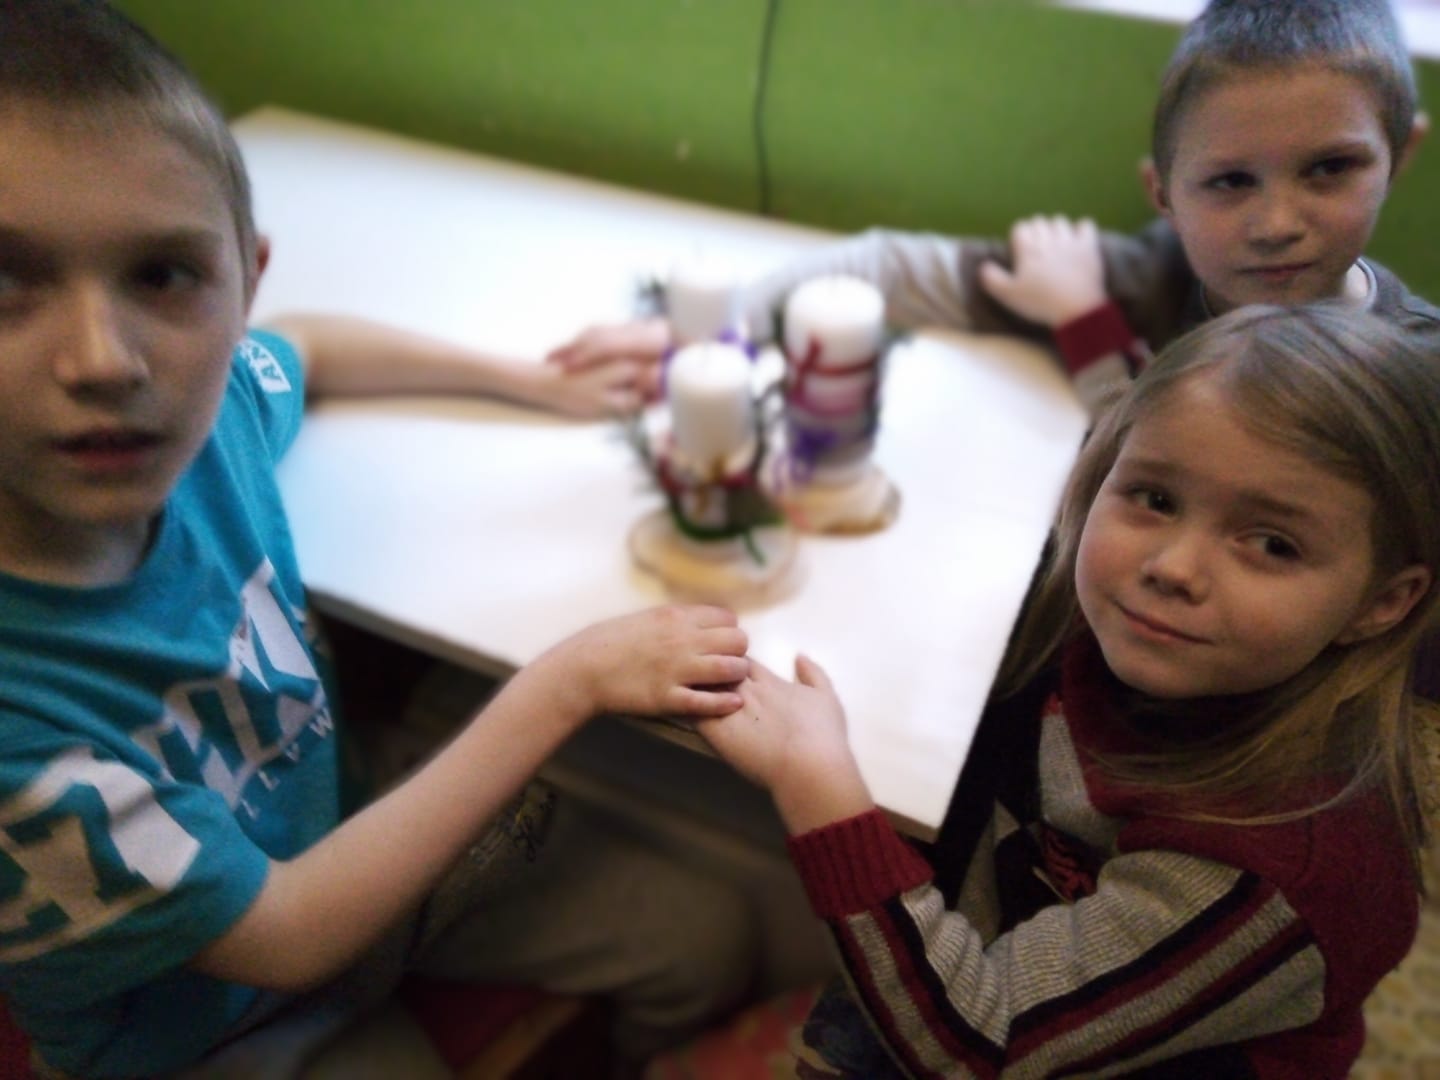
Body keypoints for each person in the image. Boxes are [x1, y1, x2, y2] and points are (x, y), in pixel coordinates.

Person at [0, 2, 756, 1076]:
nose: (104, 359)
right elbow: (290, 932)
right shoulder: (16, 720)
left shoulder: (205, 426)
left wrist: (530, 381)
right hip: (213, 1029)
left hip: (358, 841)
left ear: (243, 279)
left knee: (708, 939)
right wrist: (568, 682)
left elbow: (306, 347)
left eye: (162, 275)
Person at [694, 302, 1440, 1077]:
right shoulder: (1125, 612)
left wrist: (818, 785)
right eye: (1155, 498)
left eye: (1273, 545)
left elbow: (977, 1048)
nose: (1172, 568)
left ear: (1383, 602)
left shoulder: (1286, 871)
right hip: (976, 945)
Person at [547, 0, 1438, 414]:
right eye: (1231, 182)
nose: (1277, 223)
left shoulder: (1413, 373)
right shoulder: (1158, 273)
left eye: (1329, 169)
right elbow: (891, 269)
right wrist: (712, 329)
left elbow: (1163, 463)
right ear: (1163, 196)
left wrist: (1082, 323)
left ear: (1399, 156)